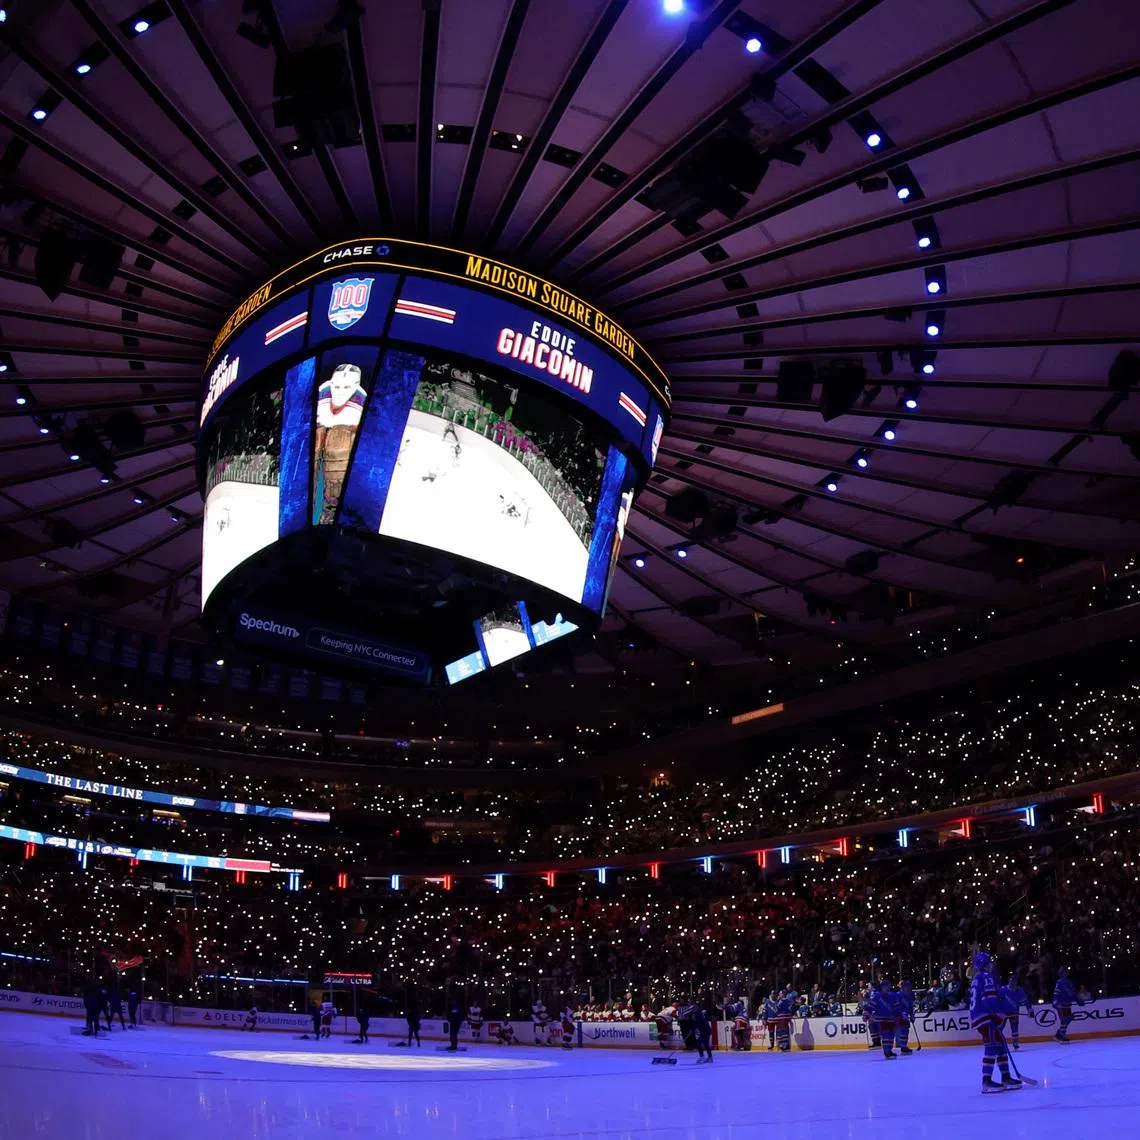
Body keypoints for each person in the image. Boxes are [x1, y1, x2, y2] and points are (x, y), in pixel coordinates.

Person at [312, 362, 367, 523]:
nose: (339, 392)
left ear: (356, 386)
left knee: (339, 440)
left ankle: (333, 508)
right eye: (336, 386)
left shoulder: (361, 402)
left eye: (345, 388)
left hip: (340, 457)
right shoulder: (322, 391)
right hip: (320, 448)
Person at [970, 950, 1021, 1093]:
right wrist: (997, 1013)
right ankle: (986, 1081)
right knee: (992, 1046)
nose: (992, 964)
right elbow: (989, 999)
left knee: (1000, 1045)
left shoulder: (977, 978)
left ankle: (1005, 1076)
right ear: (985, 964)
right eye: (990, 962)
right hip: (985, 1017)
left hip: (980, 1016)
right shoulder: (987, 977)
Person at [1052, 967, 1084, 1043]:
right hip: (1061, 1004)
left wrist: (1078, 1000)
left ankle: (1058, 1034)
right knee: (1063, 1020)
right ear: (1060, 974)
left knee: (1068, 1018)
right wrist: (1057, 1002)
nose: (1065, 973)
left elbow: (1073, 993)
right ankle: (1062, 1035)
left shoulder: (1069, 982)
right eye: (1064, 972)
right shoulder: (1059, 982)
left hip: (1067, 1004)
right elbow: (1056, 994)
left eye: (1066, 972)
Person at [1002, 973, 1033, 1050]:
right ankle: (998, 1042)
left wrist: (1030, 1010)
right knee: (1000, 1027)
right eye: (1011, 981)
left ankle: (1015, 1043)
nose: (1012, 983)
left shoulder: (1020, 991)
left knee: (1015, 1028)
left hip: (1014, 1012)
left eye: (1014, 981)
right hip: (1002, 1012)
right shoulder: (1003, 989)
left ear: (1016, 982)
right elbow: (996, 1000)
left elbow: (1026, 1002)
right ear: (1009, 981)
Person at [870, 979, 899, 1060]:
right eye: (884, 986)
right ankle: (887, 1051)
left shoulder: (893, 995)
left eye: (887, 986)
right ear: (881, 987)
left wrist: (900, 1014)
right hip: (881, 1020)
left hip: (891, 1019)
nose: (886, 988)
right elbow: (871, 1005)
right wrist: (867, 1012)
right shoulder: (877, 996)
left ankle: (889, 1050)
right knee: (886, 1035)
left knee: (891, 1035)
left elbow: (897, 1007)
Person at [895, 979, 916, 1056]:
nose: (908, 988)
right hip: (899, 1016)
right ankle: (903, 1047)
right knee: (903, 1030)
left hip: (905, 1016)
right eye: (906, 986)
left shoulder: (910, 995)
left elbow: (910, 1007)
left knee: (906, 1030)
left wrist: (912, 1015)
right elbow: (896, 1006)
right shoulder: (898, 995)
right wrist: (901, 1013)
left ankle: (904, 1046)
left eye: (909, 986)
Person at [773, 987, 797, 1053]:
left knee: (783, 1030)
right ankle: (781, 1044)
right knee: (779, 1031)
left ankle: (784, 1045)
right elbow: (776, 1009)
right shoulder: (779, 1001)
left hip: (783, 1018)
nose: (779, 994)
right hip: (779, 1018)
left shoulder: (786, 1001)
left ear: (783, 994)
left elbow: (786, 1009)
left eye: (780, 993)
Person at [861, 986, 881, 1051]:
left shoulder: (875, 994)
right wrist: (865, 1015)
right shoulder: (866, 1000)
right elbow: (866, 1008)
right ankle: (876, 1042)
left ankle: (877, 1042)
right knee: (872, 1027)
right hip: (872, 1017)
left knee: (876, 1028)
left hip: (876, 1015)